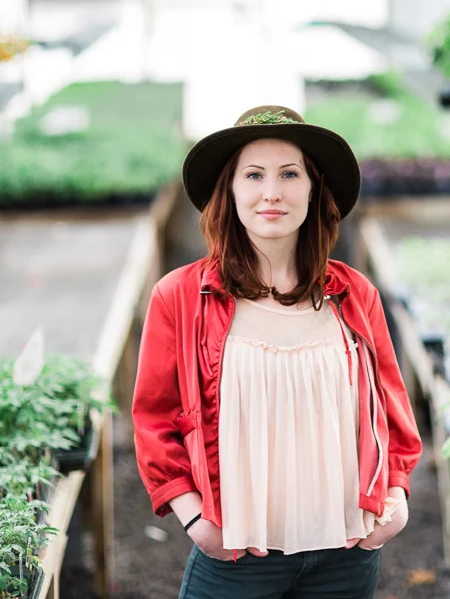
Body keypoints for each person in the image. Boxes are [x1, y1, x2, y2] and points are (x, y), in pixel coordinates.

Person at [132, 106, 422, 599]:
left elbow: (390, 408)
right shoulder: (179, 296)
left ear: (313, 190)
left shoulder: (354, 294)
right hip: (237, 552)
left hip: (347, 549)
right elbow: (154, 417)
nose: (272, 192)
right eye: (254, 175)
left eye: (289, 174)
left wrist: (395, 497)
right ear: (230, 191)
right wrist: (195, 518)